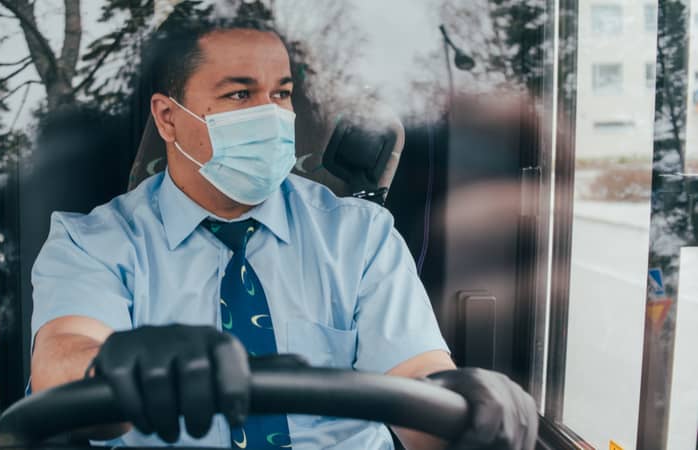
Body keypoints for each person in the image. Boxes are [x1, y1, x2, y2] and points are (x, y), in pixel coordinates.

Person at [28, 7, 538, 450]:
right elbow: (62, 356)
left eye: (281, 93)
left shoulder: (360, 235)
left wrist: (469, 407)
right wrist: (118, 365)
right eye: (239, 94)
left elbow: (415, 376)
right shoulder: (92, 242)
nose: (270, 114)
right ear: (167, 117)